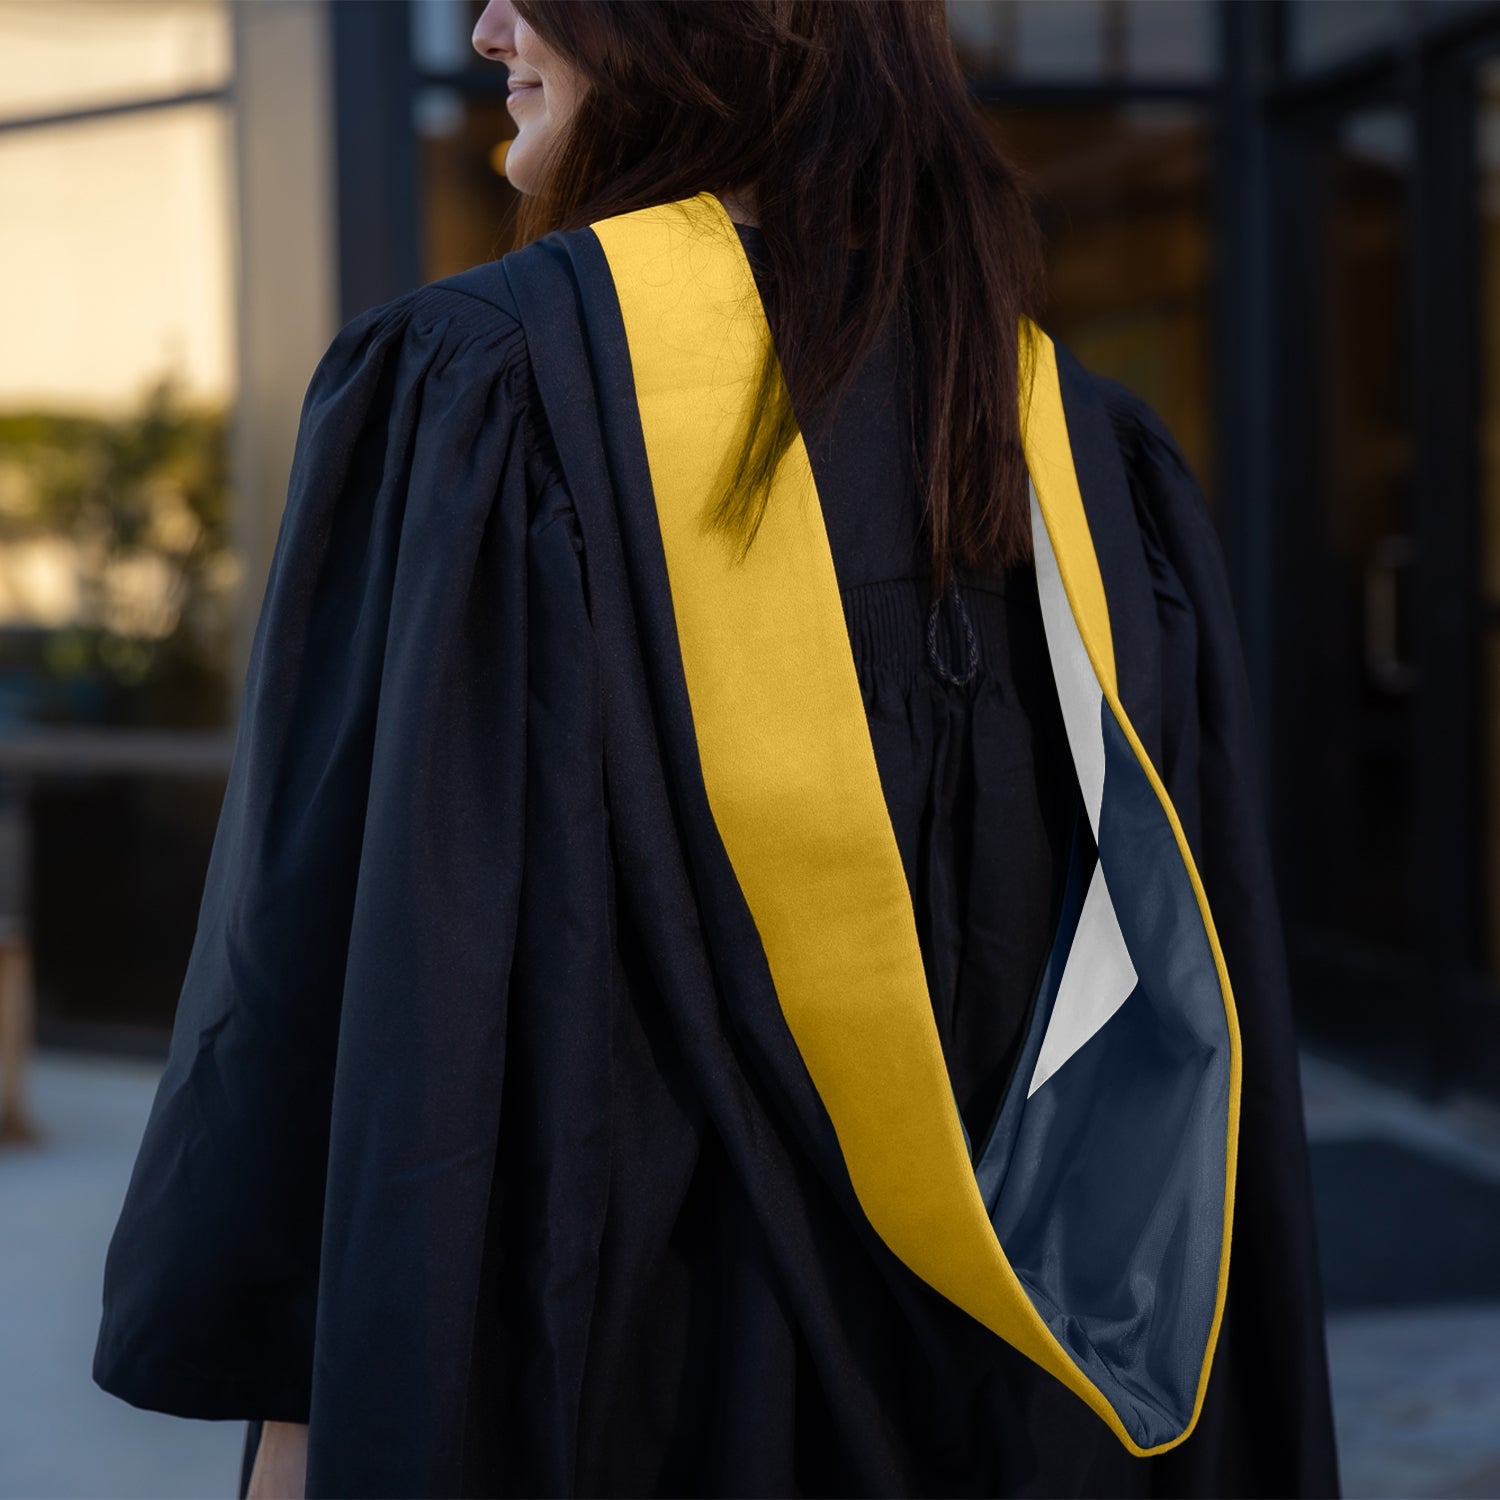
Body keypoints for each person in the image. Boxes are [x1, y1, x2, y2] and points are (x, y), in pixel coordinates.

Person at [92, 3, 1340, 1497]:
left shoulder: (483, 396)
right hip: (1024, 1418)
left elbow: (328, 1013)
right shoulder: (1080, 457)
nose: (489, 24)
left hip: (619, 1398)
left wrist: (296, 1441)